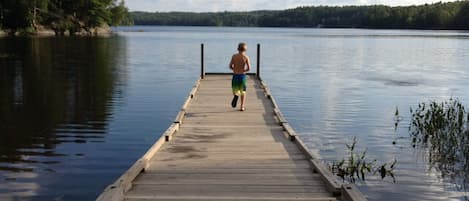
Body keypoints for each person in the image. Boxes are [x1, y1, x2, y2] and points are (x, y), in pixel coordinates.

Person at [229, 42, 251, 111]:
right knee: (243, 91)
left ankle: (236, 94)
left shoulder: (234, 56)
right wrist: (244, 71)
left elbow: (230, 66)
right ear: (245, 50)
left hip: (235, 75)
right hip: (242, 76)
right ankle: (242, 106)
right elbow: (249, 68)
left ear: (238, 49)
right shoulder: (246, 57)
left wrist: (234, 69)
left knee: (235, 89)